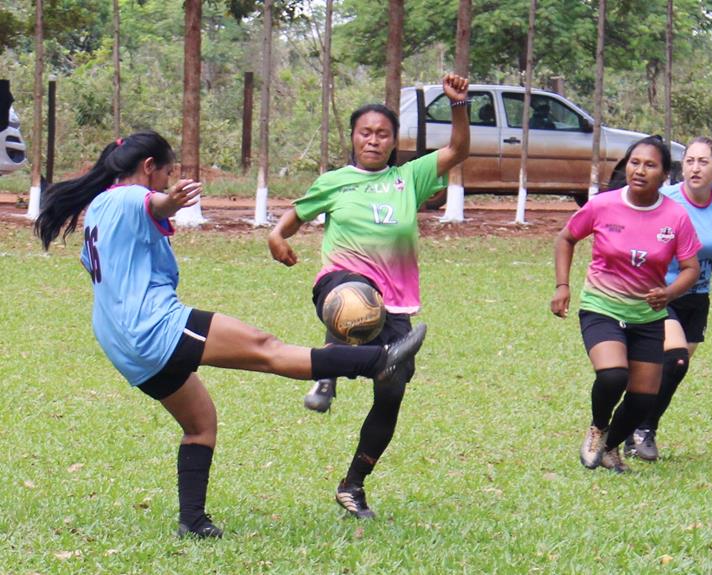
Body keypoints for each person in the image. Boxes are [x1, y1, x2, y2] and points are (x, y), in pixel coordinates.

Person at [33, 130, 427, 539]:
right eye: (166, 173)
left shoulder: (98, 208)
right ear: (149, 168)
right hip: (152, 325)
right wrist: (173, 200)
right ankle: (379, 360)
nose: (168, 181)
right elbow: (155, 201)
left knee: (200, 424)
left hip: (119, 342)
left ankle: (193, 522)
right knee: (268, 350)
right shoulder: (130, 196)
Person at [268, 73, 470, 517]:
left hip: (396, 303)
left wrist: (458, 105)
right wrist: (277, 235)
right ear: (354, 138)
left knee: (391, 394)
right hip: (338, 285)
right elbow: (295, 214)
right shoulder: (335, 180)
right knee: (353, 296)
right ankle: (328, 368)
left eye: (382, 134)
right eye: (365, 133)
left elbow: (457, 152)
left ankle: (352, 484)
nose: (373, 140)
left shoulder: (410, 178)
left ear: (394, 141)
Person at [550, 135, 701, 473]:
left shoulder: (675, 217)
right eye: (635, 162)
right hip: (602, 306)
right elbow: (566, 238)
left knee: (644, 397)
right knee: (613, 375)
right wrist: (562, 286)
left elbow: (691, 269)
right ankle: (597, 428)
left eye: (650, 165)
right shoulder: (603, 205)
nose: (640, 170)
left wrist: (670, 292)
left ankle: (610, 447)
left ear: (664, 175)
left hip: (647, 315)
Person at [625, 136, 712, 460]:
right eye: (689, 161)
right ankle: (640, 430)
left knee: (668, 370)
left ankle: (637, 429)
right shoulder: (665, 200)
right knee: (675, 359)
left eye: (703, 161)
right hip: (660, 293)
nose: (695, 168)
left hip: (697, 297)